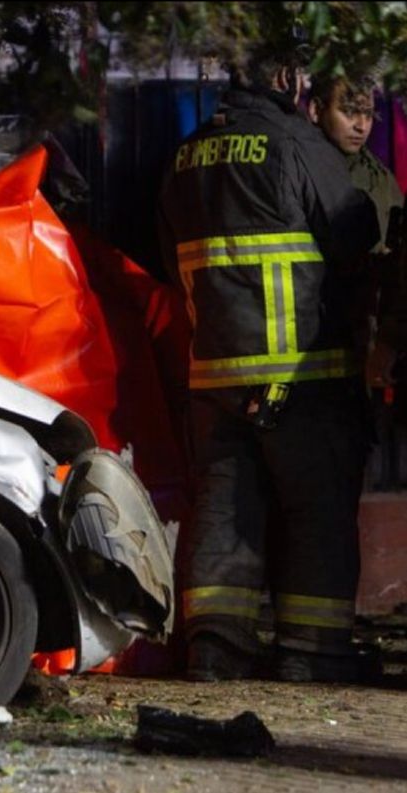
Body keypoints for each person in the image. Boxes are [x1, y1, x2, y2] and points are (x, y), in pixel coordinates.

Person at [157, 32, 380, 682]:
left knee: (224, 509)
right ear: (283, 80)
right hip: (301, 378)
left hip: (213, 379)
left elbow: (169, 256)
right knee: (317, 512)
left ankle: (214, 647)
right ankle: (312, 654)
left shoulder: (183, 156)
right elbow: (352, 232)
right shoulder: (292, 143)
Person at [307, 73, 405, 386]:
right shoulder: (302, 170)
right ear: (316, 110)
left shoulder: (380, 179)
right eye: (349, 112)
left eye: (367, 113)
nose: (361, 125)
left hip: (367, 340)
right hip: (313, 336)